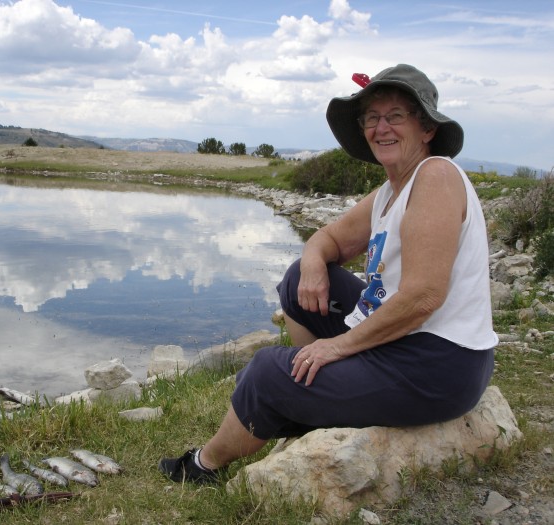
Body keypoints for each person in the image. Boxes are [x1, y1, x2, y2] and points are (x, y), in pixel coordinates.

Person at [158, 64, 498, 484]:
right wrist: (314, 264)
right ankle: (312, 399)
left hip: (436, 364)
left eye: (395, 116)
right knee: (298, 277)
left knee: (265, 371)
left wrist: (336, 347)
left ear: (426, 128)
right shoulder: (393, 189)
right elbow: (327, 239)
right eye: (371, 118)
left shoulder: (436, 177)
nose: (381, 128)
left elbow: (423, 297)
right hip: (401, 341)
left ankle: (202, 466)